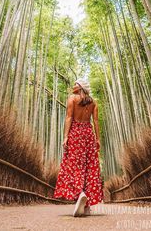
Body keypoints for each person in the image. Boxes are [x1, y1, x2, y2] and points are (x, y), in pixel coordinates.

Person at [53, 78, 104, 217]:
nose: (73, 86)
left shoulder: (72, 99)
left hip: (75, 133)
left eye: (76, 84)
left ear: (80, 87)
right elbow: (96, 122)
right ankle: (86, 205)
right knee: (89, 166)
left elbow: (69, 117)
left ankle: (80, 193)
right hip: (88, 133)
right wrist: (97, 139)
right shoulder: (93, 102)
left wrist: (65, 136)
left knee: (75, 164)